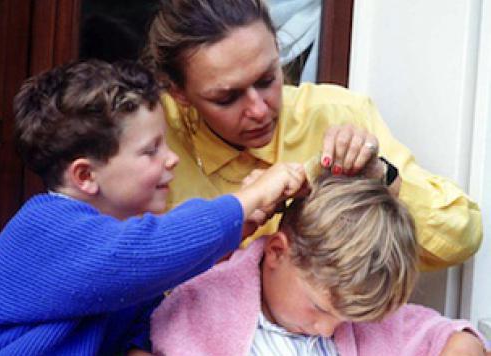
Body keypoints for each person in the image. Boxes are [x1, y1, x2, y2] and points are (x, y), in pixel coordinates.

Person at [0, 59, 308, 355]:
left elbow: (138, 320)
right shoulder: (43, 228)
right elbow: (144, 252)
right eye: (151, 150)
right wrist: (245, 202)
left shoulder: (122, 263)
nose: (171, 160)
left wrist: (229, 241)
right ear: (86, 175)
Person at [146, 0, 482, 270]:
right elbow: (123, 272)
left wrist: (380, 176)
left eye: (267, 80)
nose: (259, 110)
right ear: (179, 94)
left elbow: (461, 236)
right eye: (227, 98)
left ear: (278, 51)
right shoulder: (149, 137)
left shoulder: (334, 113)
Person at [151, 174, 489, 356]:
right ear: (277, 252)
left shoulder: (354, 320)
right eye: (319, 307)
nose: (328, 329)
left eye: (347, 318)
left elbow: (455, 340)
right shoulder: (200, 310)